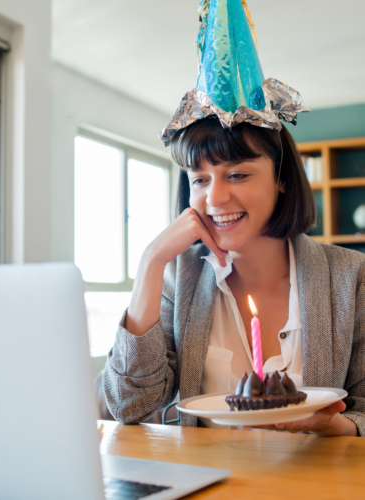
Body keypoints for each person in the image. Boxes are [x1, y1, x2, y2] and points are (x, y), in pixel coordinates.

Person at [103, 117, 365, 437]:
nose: (215, 198)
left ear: (281, 178)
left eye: (237, 175)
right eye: (200, 180)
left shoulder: (352, 277)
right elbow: (129, 405)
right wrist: (150, 262)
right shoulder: (179, 276)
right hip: (211, 482)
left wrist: (333, 424)